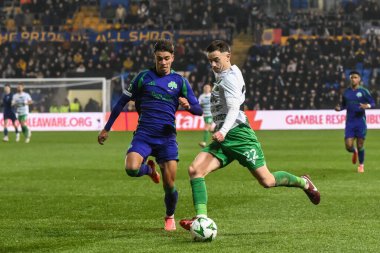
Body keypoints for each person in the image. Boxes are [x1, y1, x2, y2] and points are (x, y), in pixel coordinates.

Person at [179, 40, 320, 231]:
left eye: (216, 60)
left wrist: (222, 131)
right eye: (210, 61)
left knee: (267, 181)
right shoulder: (223, 72)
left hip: (238, 135)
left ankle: (304, 182)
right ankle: (201, 219)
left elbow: (234, 108)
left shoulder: (230, 79)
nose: (212, 65)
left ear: (228, 56)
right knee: (196, 170)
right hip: (224, 135)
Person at [97, 40, 202, 231]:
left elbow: (199, 110)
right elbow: (121, 102)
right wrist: (107, 128)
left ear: (173, 58)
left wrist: (189, 107)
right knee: (131, 168)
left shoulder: (180, 81)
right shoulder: (143, 77)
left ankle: (169, 216)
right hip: (144, 134)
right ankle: (150, 171)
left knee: (169, 184)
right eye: (159, 58)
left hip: (167, 139)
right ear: (154, 58)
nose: (163, 62)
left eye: (167, 58)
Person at [334, 71, 375, 173]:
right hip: (350, 122)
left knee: (360, 144)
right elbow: (344, 105)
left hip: (360, 122)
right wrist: (339, 108)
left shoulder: (364, 91)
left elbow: (372, 102)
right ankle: (354, 151)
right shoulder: (346, 92)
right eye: (352, 77)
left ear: (359, 79)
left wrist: (367, 106)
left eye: (355, 77)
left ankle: (361, 165)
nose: (353, 79)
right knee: (348, 146)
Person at [198, 83, 214, 148]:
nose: (206, 88)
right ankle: (221, 137)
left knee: (206, 127)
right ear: (203, 89)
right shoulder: (202, 96)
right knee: (211, 129)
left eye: (208, 87)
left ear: (210, 89)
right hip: (205, 114)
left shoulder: (212, 95)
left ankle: (204, 142)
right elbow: (198, 104)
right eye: (205, 87)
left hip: (211, 114)